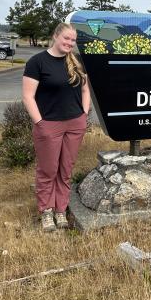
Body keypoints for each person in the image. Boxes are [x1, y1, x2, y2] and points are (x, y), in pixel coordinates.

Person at [22, 23, 91, 232]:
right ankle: (46, 211)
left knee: (65, 169)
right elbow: (27, 96)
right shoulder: (37, 62)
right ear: (55, 36)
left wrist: (84, 114)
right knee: (48, 170)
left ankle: (61, 210)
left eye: (73, 40)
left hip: (75, 124)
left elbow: (86, 90)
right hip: (48, 125)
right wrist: (40, 123)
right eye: (66, 39)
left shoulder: (77, 62)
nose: (70, 43)